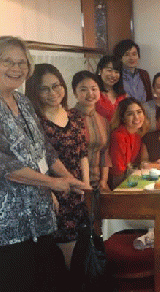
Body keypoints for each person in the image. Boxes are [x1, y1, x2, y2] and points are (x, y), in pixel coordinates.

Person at [0, 36, 88, 291]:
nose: (16, 69)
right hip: (9, 228)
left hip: (41, 219)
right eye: (8, 61)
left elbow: (45, 150)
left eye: (22, 62)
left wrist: (68, 178)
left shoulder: (23, 103)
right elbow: (5, 166)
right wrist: (53, 183)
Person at [25, 63, 90, 268]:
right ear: (35, 91)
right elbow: (35, 161)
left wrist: (85, 184)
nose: (53, 93)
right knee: (64, 252)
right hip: (55, 192)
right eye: (45, 88)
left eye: (56, 85)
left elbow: (83, 153)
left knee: (82, 247)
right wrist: (49, 190)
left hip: (78, 189)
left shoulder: (75, 116)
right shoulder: (34, 121)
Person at [71, 70, 112, 191]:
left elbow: (105, 153)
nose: (90, 93)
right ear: (75, 93)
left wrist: (104, 181)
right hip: (75, 184)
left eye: (94, 89)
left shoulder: (103, 120)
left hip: (98, 183)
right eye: (83, 89)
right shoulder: (68, 118)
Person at [109, 98, 149, 188]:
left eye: (139, 112)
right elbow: (118, 171)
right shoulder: (118, 136)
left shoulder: (137, 135)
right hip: (118, 184)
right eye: (130, 114)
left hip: (130, 179)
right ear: (123, 118)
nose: (136, 117)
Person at [95, 55, 127, 121]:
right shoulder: (94, 93)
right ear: (100, 71)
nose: (113, 75)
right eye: (109, 70)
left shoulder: (123, 96)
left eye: (116, 72)